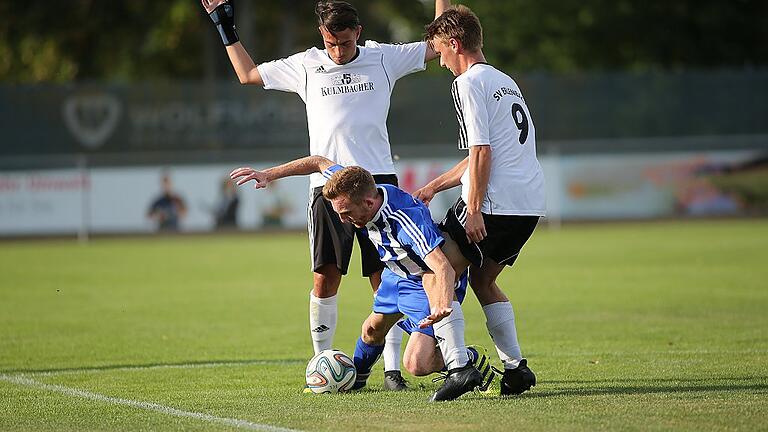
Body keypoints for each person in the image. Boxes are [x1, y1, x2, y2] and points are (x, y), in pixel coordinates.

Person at [201, 0, 450, 389]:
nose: (339, 52)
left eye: (346, 44)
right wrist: (223, 23)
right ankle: (321, 363)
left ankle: (391, 370)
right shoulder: (306, 64)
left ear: (359, 33)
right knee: (324, 279)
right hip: (328, 187)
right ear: (323, 35)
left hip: (377, 187)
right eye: (332, 44)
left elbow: (438, 46)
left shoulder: (383, 58)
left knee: (388, 277)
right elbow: (247, 74)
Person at [231, 157, 484, 401]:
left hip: (422, 281)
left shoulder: (406, 221)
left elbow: (443, 267)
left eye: (346, 213)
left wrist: (442, 305)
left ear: (368, 203)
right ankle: (353, 381)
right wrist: (269, 175)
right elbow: (318, 162)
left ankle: (468, 358)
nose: (343, 220)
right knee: (372, 329)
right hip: (396, 274)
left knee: (416, 363)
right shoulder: (352, 185)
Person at [414, 5, 545, 396]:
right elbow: (483, 153)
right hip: (527, 206)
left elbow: (483, 152)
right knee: (484, 280)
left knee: (435, 268)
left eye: (440, 52)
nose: (440, 62)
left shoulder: (468, 82)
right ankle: (516, 369)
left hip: (495, 204)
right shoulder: (503, 80)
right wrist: (437, 185)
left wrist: (472, 209)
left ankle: (458, 366)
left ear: (455, 44)